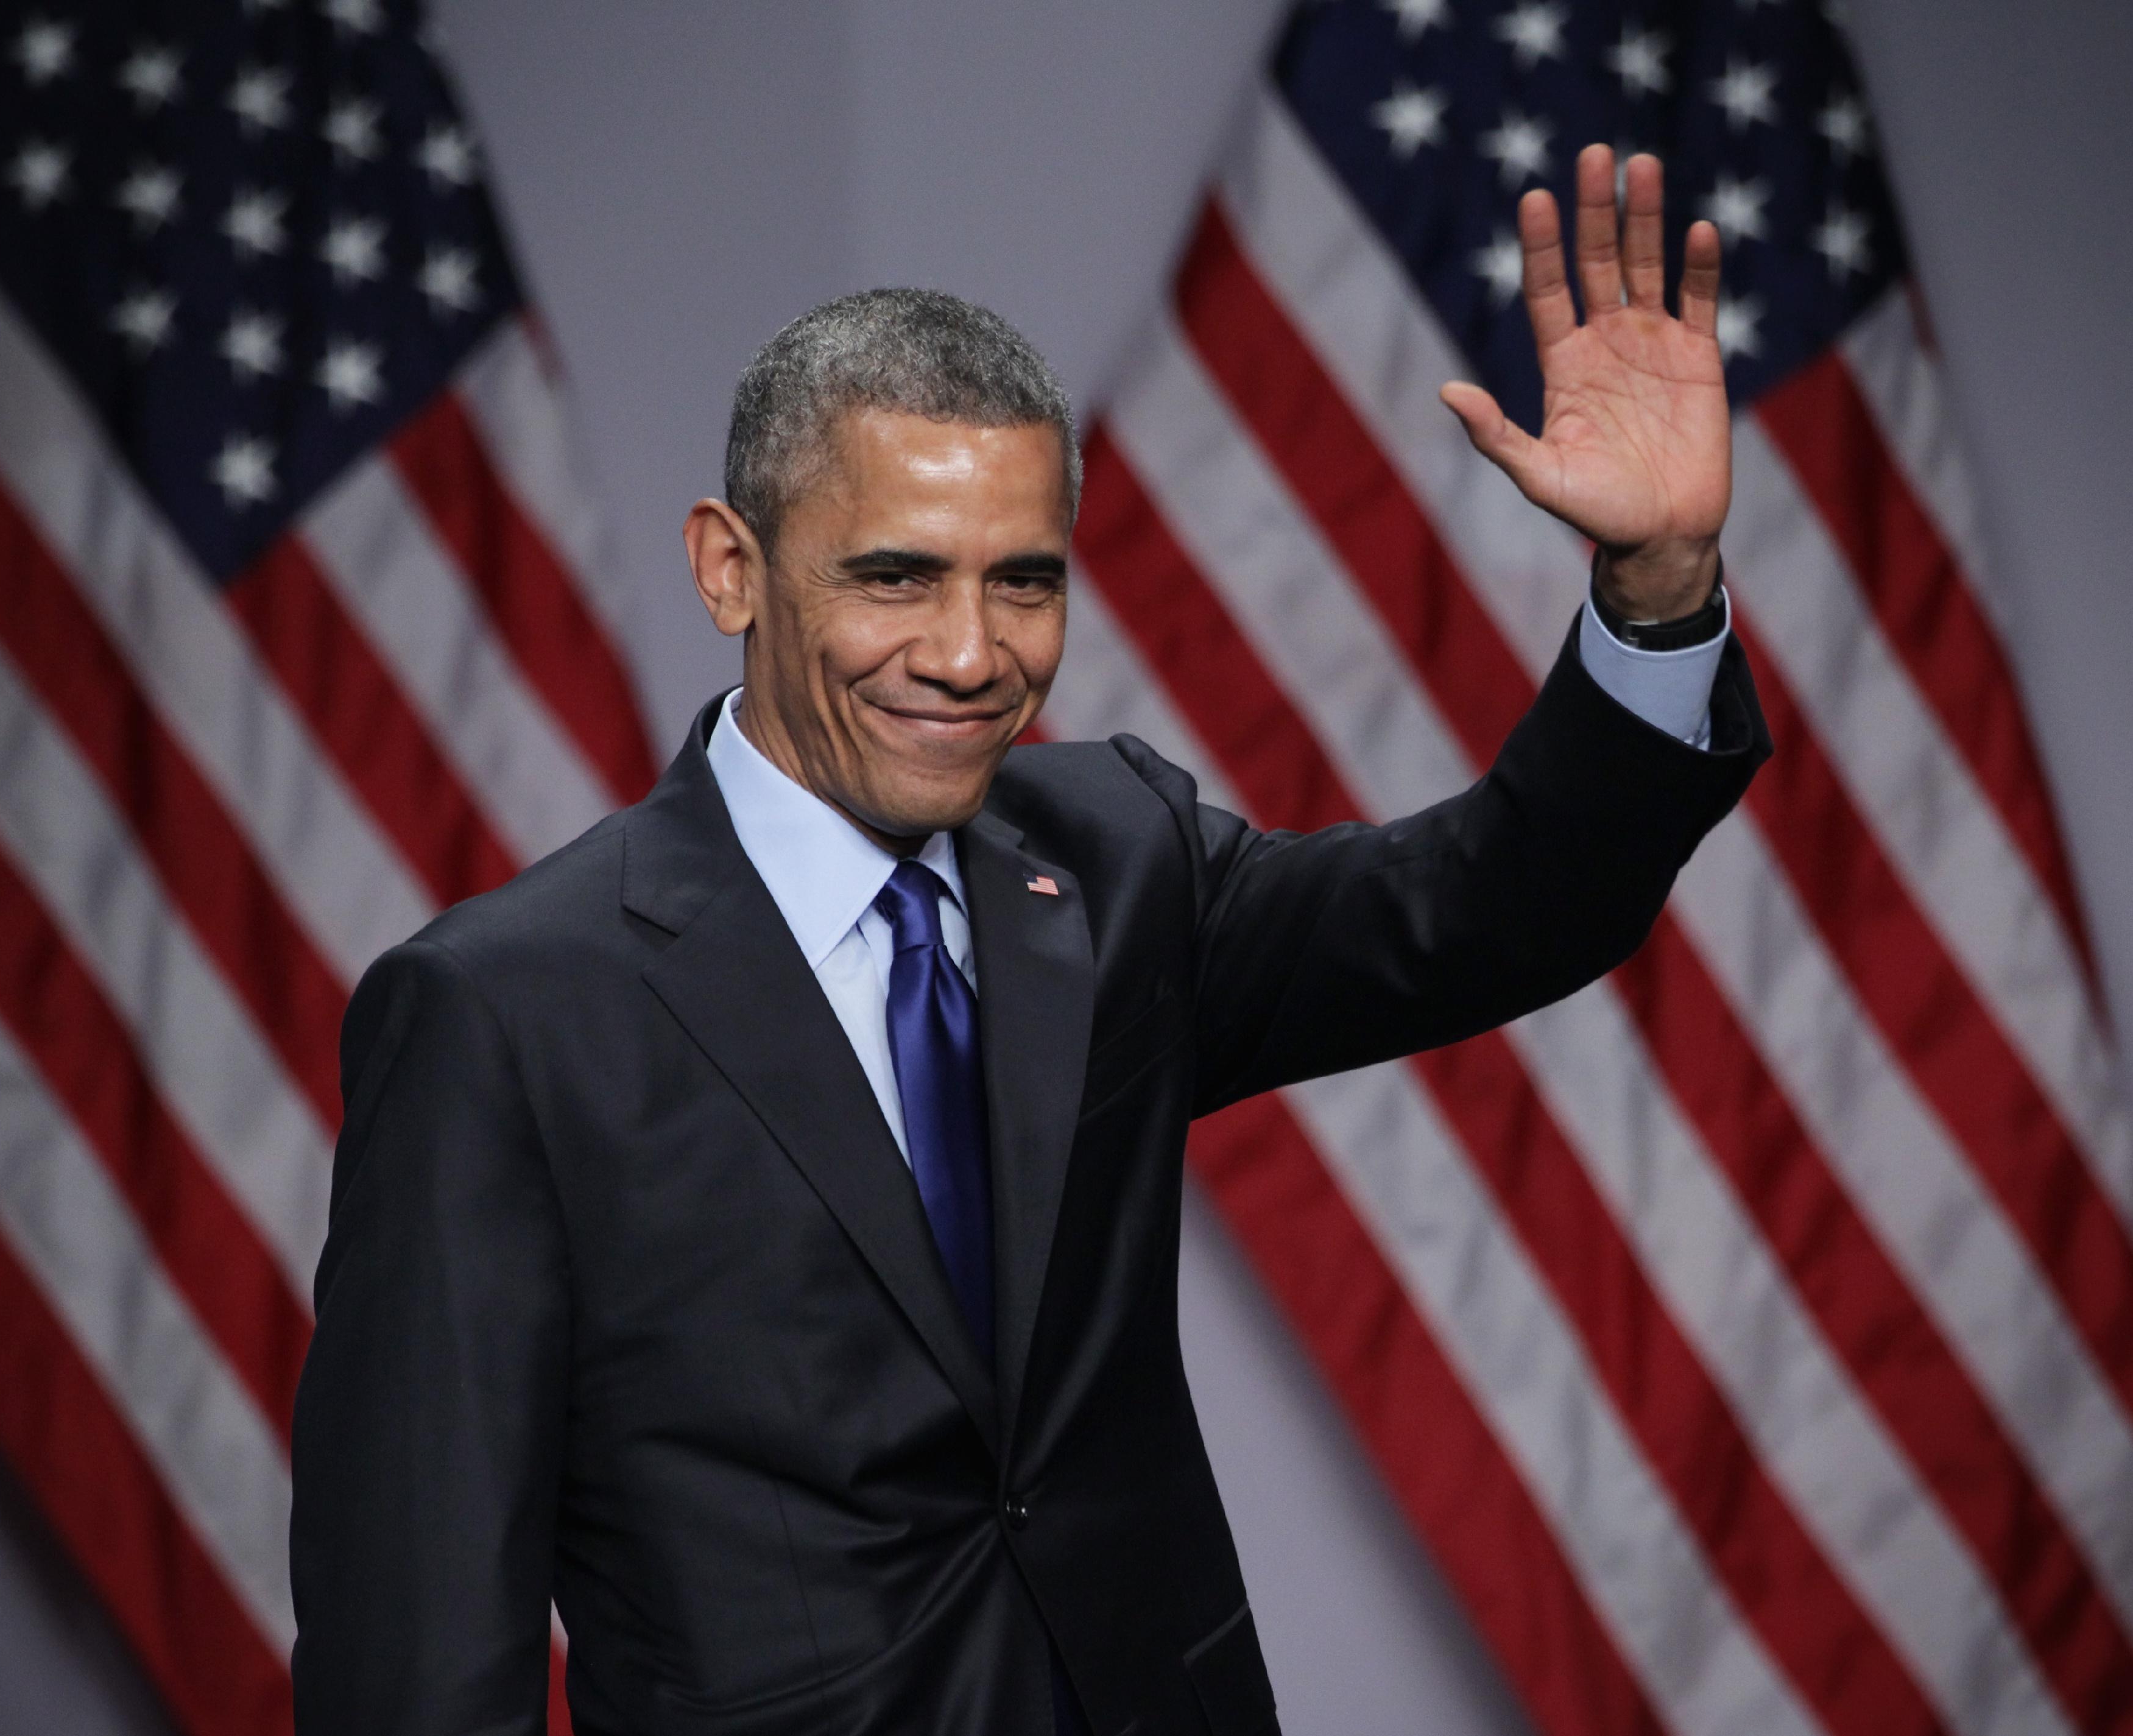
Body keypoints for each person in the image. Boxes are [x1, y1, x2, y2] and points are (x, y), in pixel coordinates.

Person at [289, 145, 1768, 1735]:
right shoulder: (505, 1015)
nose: (971, 652)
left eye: (1026, 582)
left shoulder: (1114, 855)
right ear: (733, 566)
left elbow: (1486, 910)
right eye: (896, 576)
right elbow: (419, 1662)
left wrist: (1659, 583)